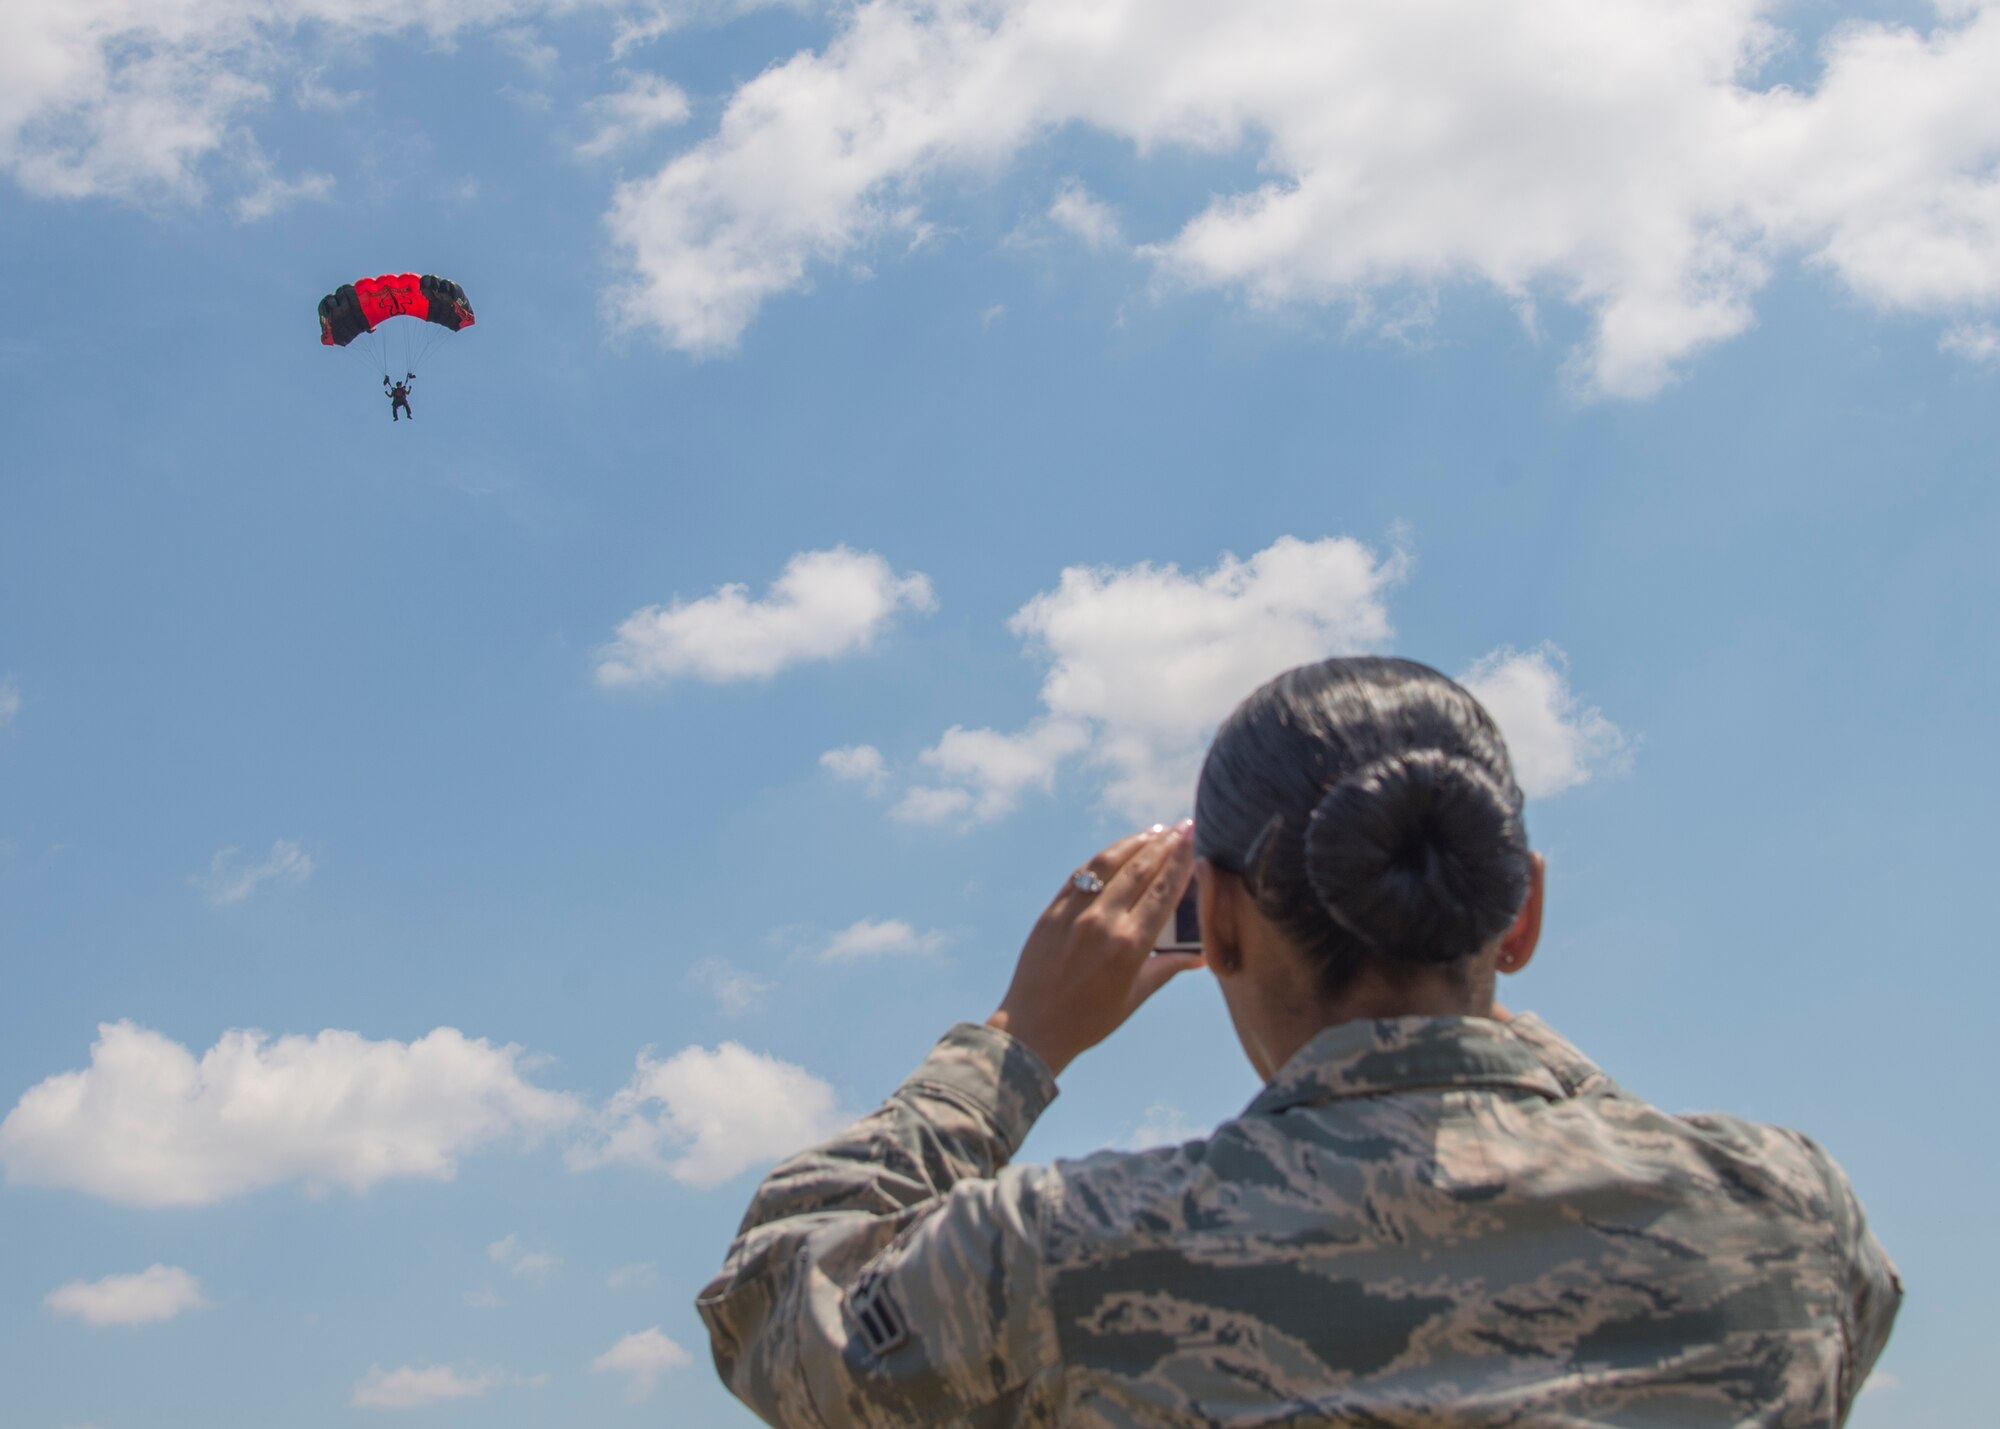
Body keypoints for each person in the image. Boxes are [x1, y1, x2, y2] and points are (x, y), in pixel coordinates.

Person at [698, 657, 1901, 1427]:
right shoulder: (1787, 1216)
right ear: (1519, 912)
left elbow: (770, 1310)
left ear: (1213, 919)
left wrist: (1016, 1043)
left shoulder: (1067, 1256)